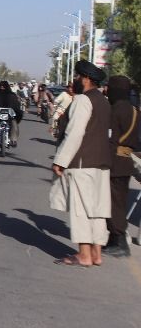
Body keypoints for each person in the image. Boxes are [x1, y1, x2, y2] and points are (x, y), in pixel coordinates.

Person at [51, 60, 112, 267]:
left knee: (81, 210)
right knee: (97, 210)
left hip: (82, 164)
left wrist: (60, 161)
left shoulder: (83, 100)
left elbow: (75, 133)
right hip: (101, 164)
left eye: (77, 76)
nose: (74, 80)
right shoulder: (103, 101)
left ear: (85, 79)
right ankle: (96, 254)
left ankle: (84, 255)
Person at [105, 75, 139, 258]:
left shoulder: (115, 110)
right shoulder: (134, 110)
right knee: (119, 202)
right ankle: (113, 240)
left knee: (113, 204)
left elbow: (110, 138)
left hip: (114, 163)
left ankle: (119, 242)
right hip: (126, 161)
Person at [0, 80, 23, 147]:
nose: (2, 88)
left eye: (3, 87)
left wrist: (17, 111)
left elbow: (16, 105)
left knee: (14, 124)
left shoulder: (12, 95)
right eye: (1, 87)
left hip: (9, 115)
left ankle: (13, 140)